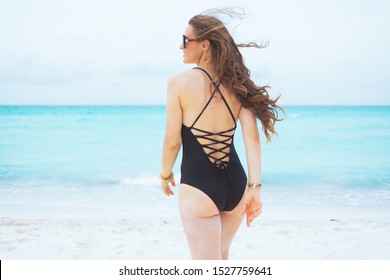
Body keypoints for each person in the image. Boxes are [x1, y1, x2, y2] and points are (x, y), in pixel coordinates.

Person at [160, 10, 283, 260]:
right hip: (236, 186)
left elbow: (172, 141)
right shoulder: (237, 83)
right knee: (221, 260)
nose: (180, 46)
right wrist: (254, 189)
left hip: (198, 188)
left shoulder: (178, 83)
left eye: (185, 40)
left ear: (204, 45)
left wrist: (165, 175)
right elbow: (252, 138)